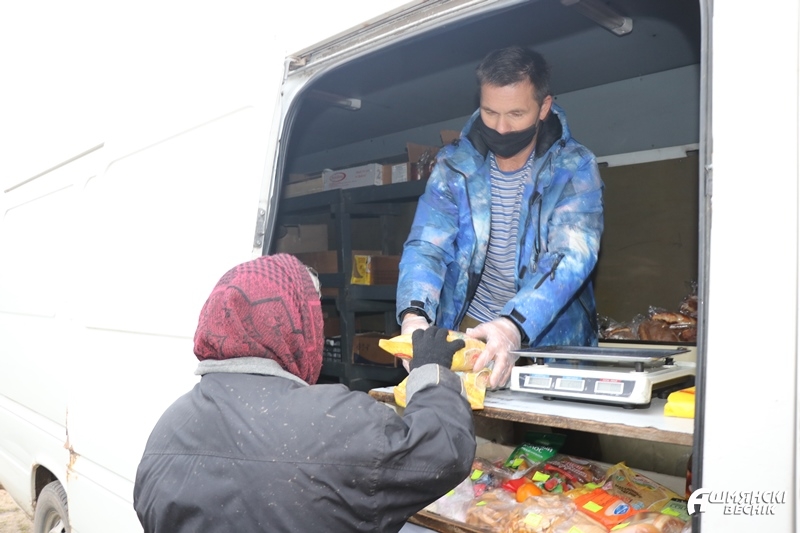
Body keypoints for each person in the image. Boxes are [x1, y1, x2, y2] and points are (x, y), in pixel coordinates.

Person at [133, 254, 476, 532]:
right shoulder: (335, 421)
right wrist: (432, 373)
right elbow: (443, 452)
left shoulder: (167, 430)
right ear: (299, 325)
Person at [396, 46, 604, 389]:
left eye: (516, 114)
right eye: (490, 112)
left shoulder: (575, 167)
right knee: (462, 436)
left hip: (550, 338)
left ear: (544, 107)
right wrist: (414, 315)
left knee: (555, 441)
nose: (502, 128)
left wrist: (512, 325)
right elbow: (426, 246)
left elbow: (572, 255)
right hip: (473, 331)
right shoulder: (453, 166)